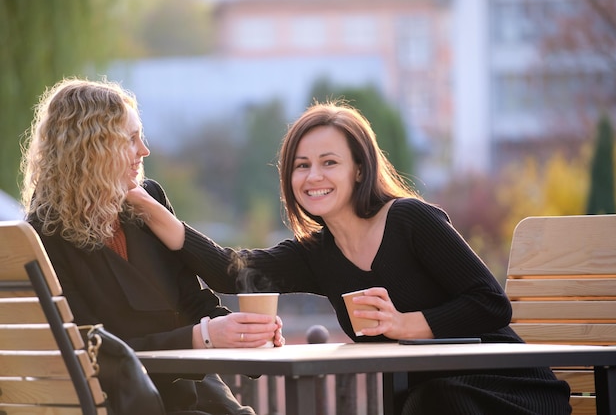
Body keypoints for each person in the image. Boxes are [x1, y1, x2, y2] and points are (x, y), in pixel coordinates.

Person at [128, 101, 572, 414]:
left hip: (508, 390)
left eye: (329, 163)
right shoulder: (316, 254)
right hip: (423, 400)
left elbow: (490, 303)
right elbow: (233, 271)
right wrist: (153, 210)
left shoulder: (411, 220)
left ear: (359, 168)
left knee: (435, 399)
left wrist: (404, 324)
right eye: (301, 165)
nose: (312, 176)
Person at [19, 77, 284, 415]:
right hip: (128, 404)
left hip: (199, 395)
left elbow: (190, 300)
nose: (144, 150)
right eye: (130, 139)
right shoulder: (46, 234)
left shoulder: (147, 203)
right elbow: (92, 354)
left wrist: (244, 332)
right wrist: (203, 336)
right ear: (91, 148)